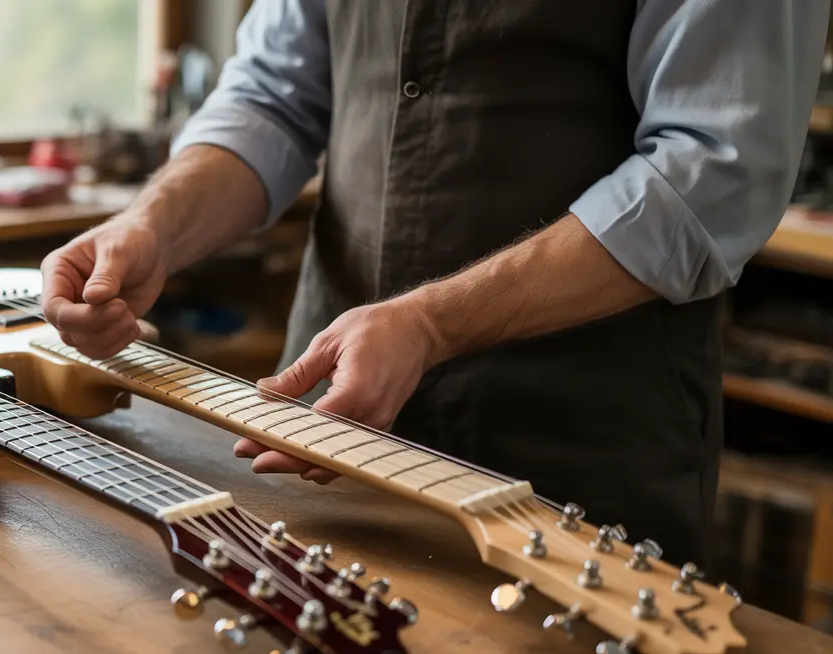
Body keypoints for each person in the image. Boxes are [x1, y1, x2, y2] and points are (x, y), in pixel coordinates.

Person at [40, 1, 830, 565]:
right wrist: (149, 228)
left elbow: (711, 174)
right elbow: (274, 99)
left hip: (579, 448)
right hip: (322, 431)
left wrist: (432, 323)